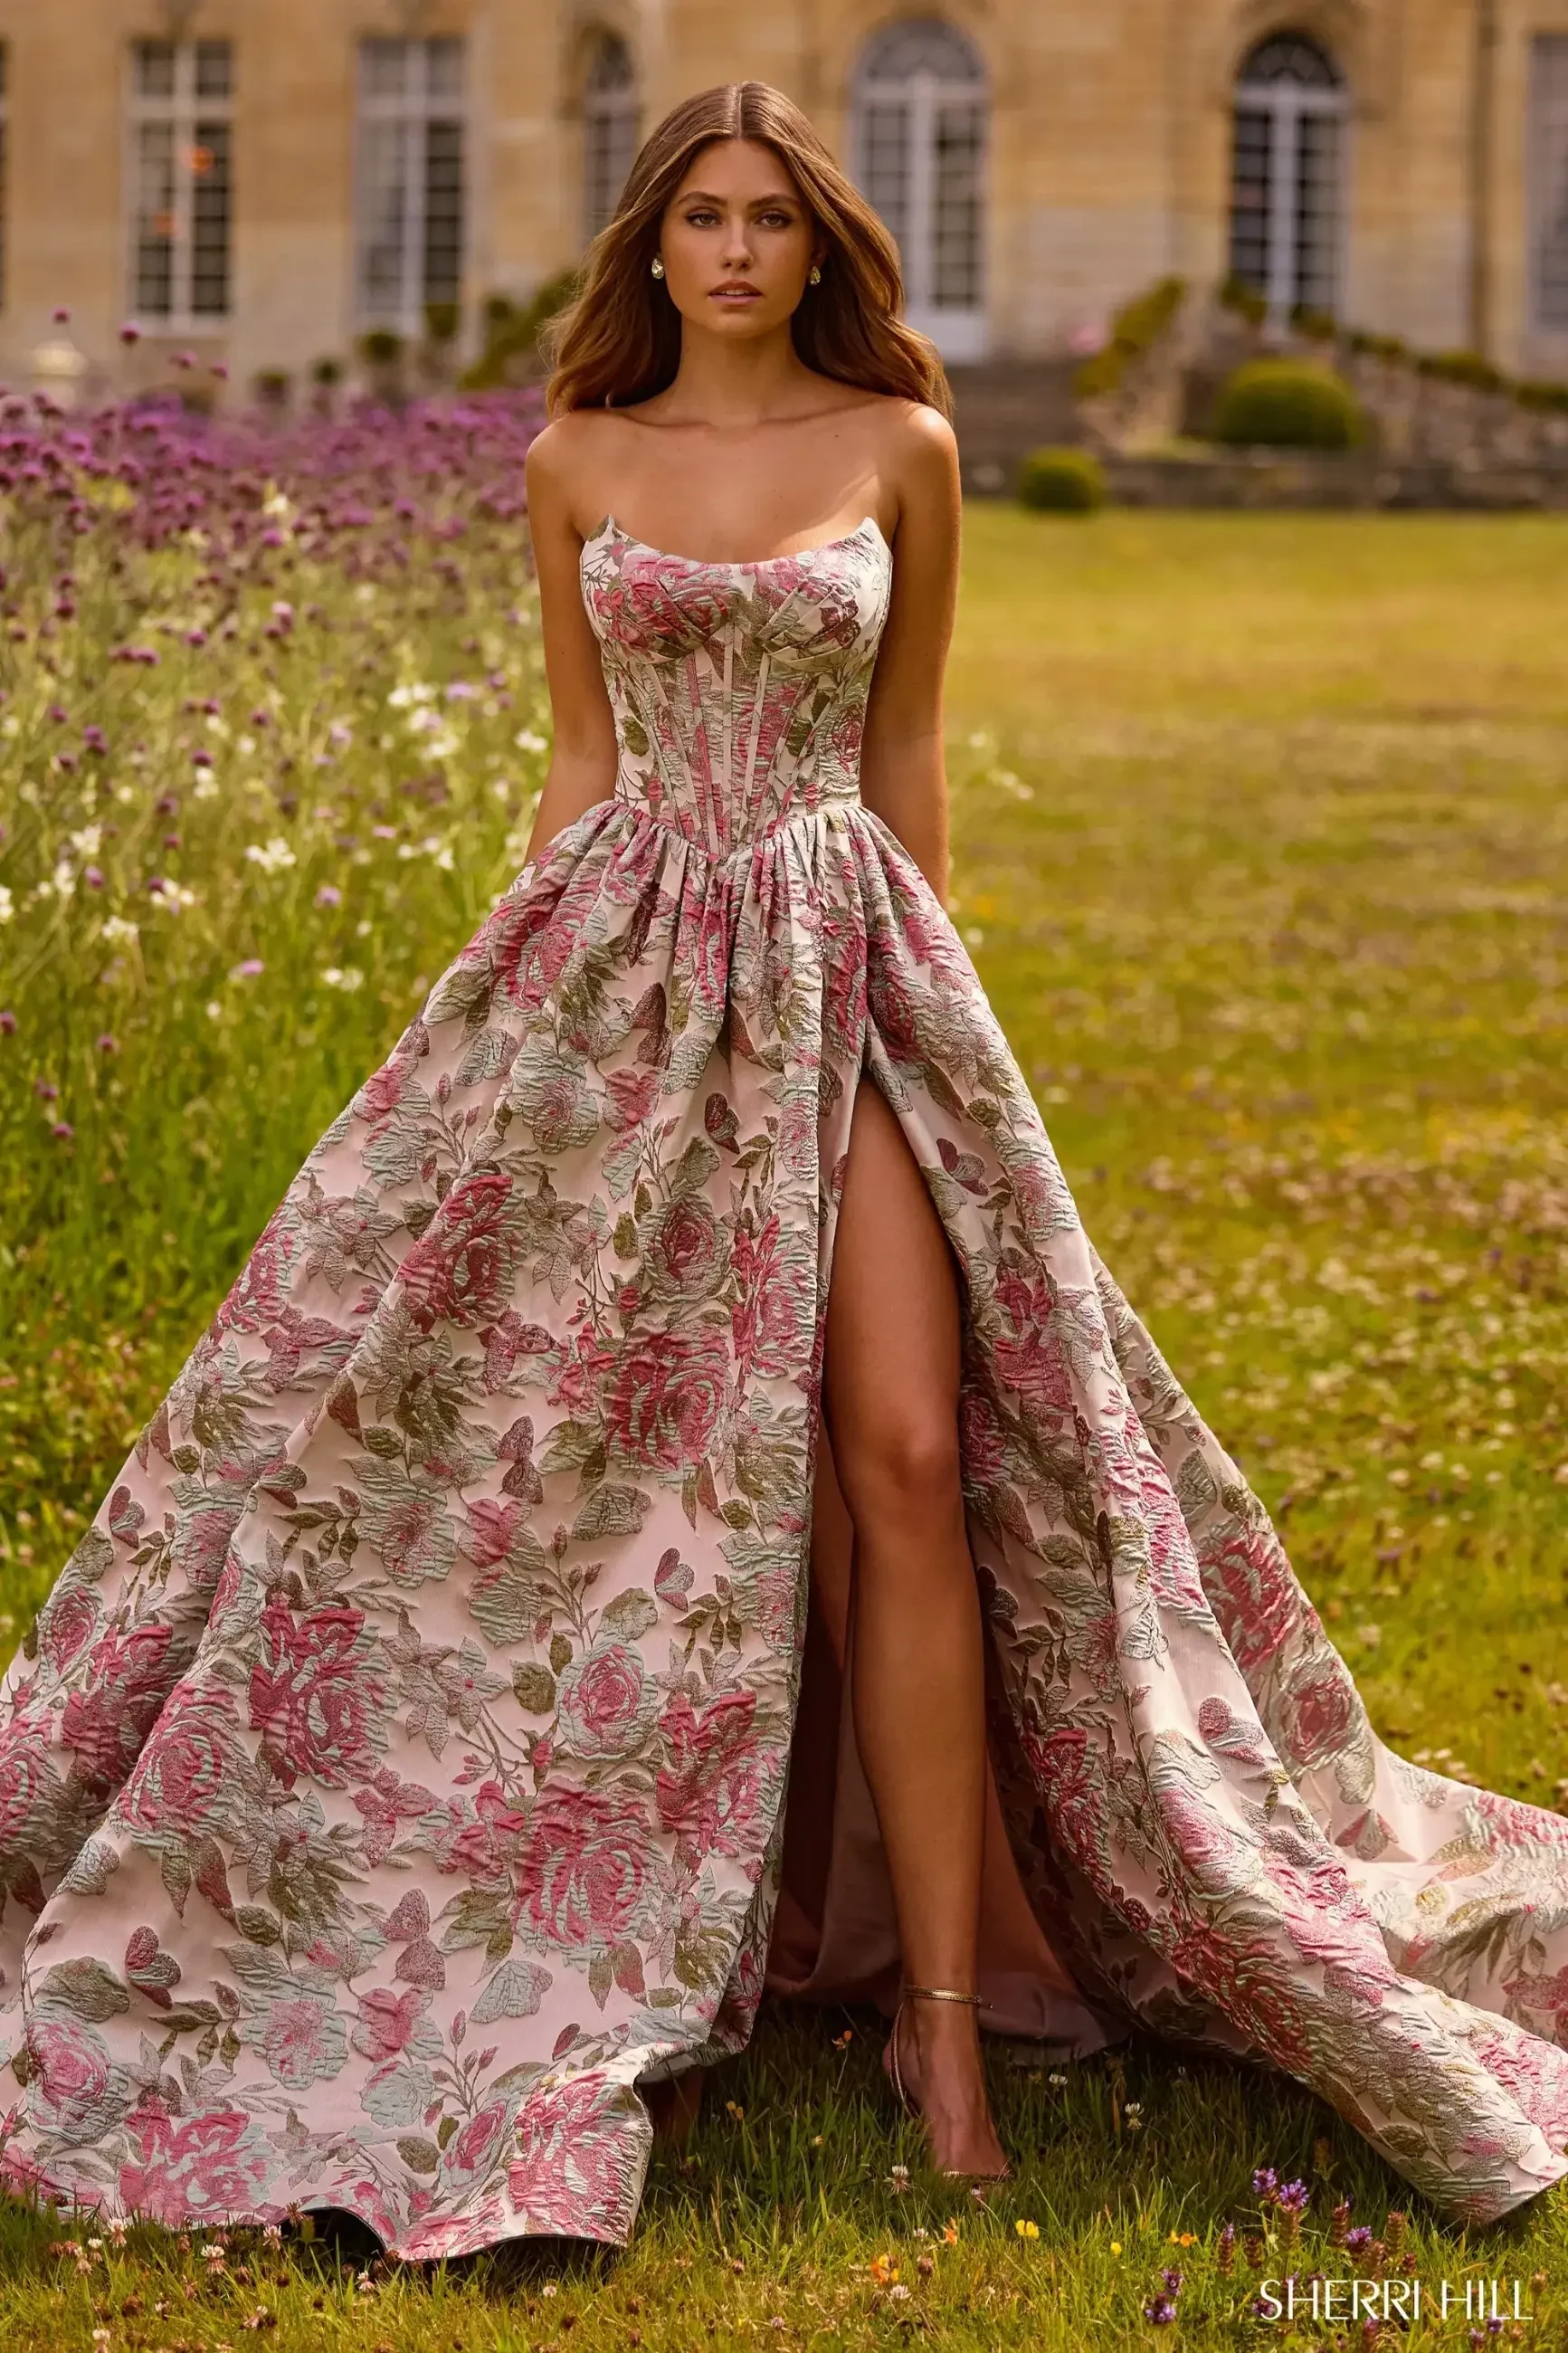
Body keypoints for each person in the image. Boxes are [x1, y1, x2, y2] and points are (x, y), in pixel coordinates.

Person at [4, 78, 1568, 2262]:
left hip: (846, 966)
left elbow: (906, 747)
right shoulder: (570, 464)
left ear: (815, 246)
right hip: (621, 971)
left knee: (913, 1451)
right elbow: (575, 754)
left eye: (769, 221)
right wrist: (500, 1038)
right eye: (702, 220)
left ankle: (941, 2017)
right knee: (604, 1472)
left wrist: (927, 1029)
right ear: (650, 248)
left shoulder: (900, 450)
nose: (735, 251)